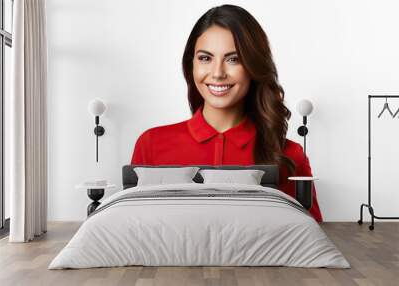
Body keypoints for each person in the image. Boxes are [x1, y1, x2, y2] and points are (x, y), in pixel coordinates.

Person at [131, 4, 322, 222]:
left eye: (234, 59)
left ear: (253, 66)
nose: (218, 73)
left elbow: (310, 238)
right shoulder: (151, 144)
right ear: (190, 64)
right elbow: (133, 227)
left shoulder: (289, 155)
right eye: (205, 58)